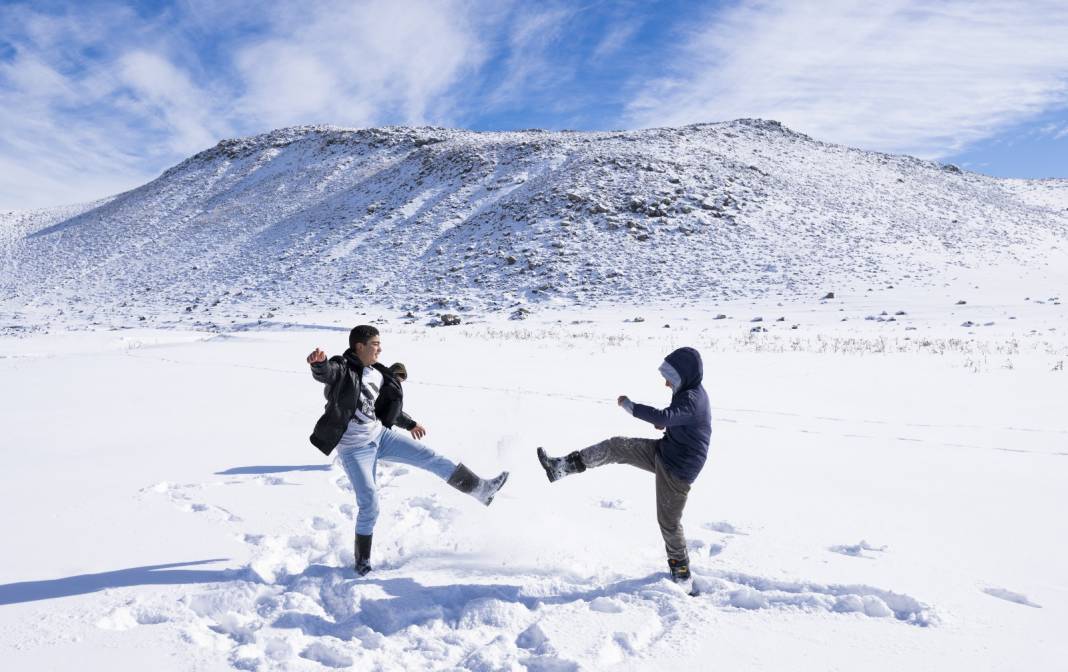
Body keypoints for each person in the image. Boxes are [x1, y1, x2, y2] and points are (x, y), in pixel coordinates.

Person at [307, 325, 509, 576]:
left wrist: (409, 423)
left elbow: (380, 410)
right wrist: (320, 364)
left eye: (380, 344)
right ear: (359, 347)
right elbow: (328, 373)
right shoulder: (343, 368)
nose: (379, 349)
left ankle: (481, 489)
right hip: (354, 449)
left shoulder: (377, 374)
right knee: (369, 502)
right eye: (375, 344)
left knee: (430, 457)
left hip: (379, 436)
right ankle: (362, 561)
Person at [536, 347, 711, 591]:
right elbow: (674, 420)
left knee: (669, 522)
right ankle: (561, 467)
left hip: (677, 469)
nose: (665, 382)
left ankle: (682, 576)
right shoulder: (687, 392)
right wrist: (668, 426)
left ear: (683, 375)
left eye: (670, 376)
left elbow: (667, 415)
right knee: (617, 446)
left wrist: (632, 407)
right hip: (666, 451)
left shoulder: (693, 399)